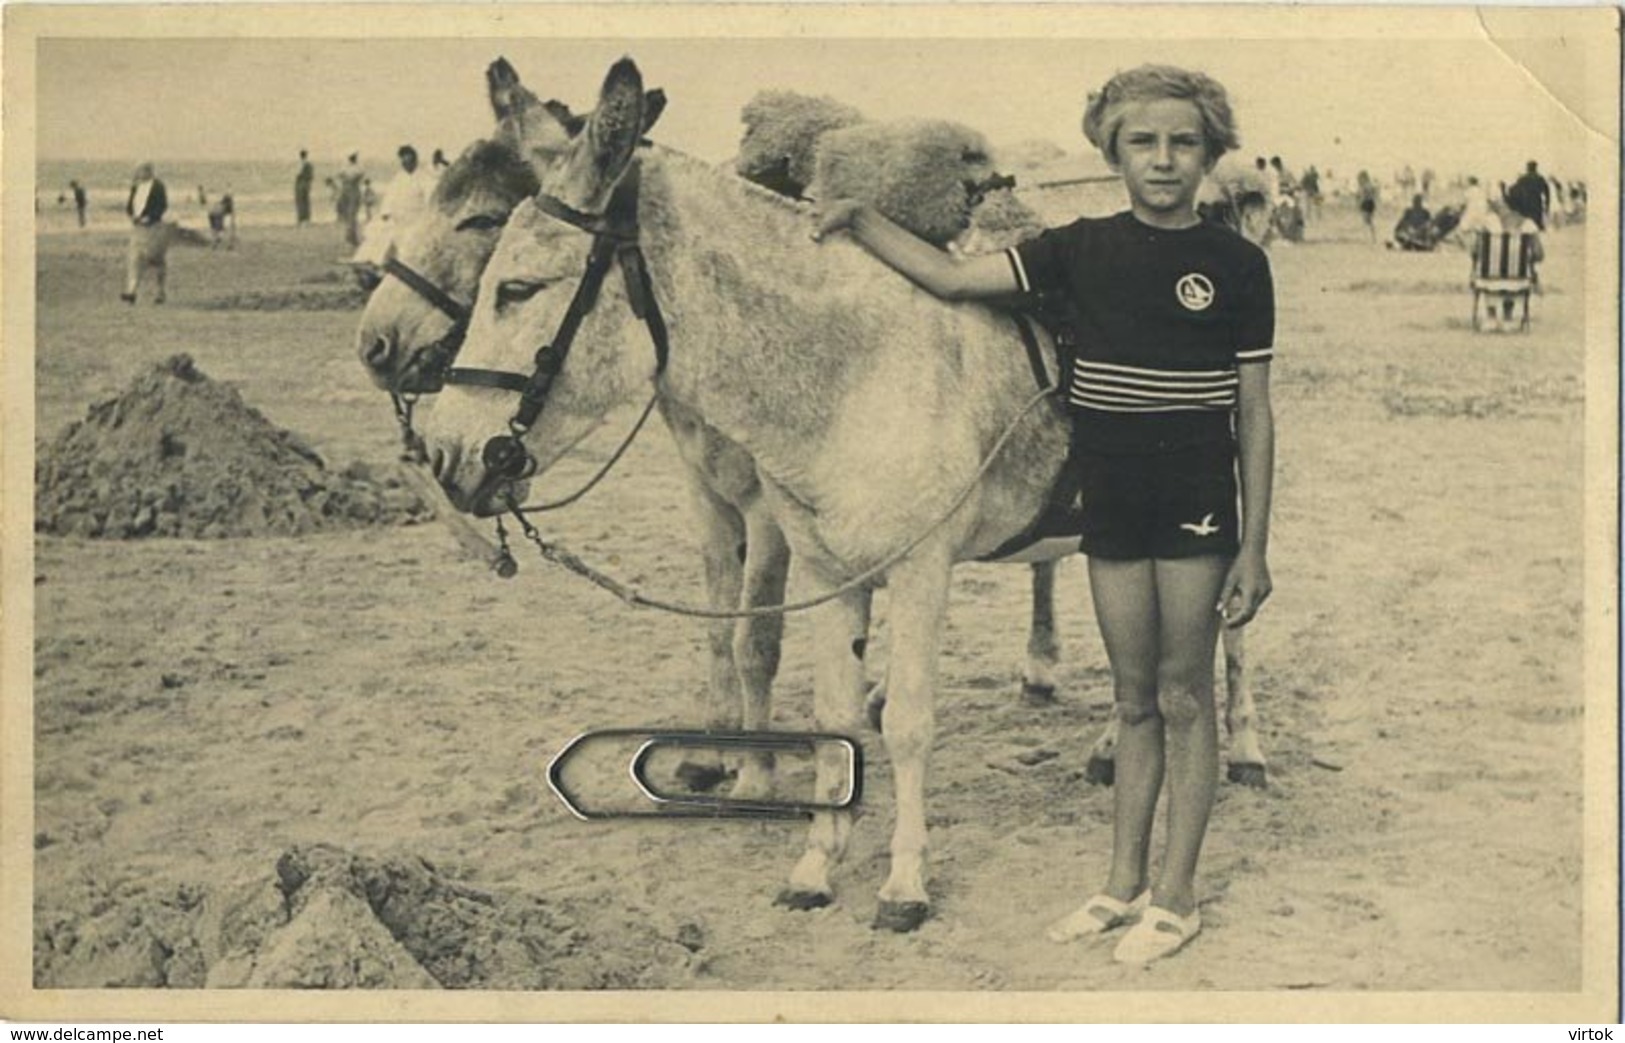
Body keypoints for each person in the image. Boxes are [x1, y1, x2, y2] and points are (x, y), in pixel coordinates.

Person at [813, 63, 1274, 966]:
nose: (1164, 160)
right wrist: (859, 220)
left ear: (1211, 153)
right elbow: (949, 280)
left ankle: (1175, 898)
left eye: (1184, 143)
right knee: (1131, 698)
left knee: (1185, 695)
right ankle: (1118, 884)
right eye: (1142, 142)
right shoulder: (1076, 247)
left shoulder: (1236, 263)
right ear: (1112, 151)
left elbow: (1253, 413)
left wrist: (1253, 547)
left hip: (1193, 505)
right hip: (1109, 500)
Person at [352, 144, 433, 267]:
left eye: (409, 161)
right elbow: (390, 196)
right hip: (398, 217)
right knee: (377, 232)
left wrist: (427, 217)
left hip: (415, 218)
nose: (407, 165)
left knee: (407, 243)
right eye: (404, 162)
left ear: (415, 160)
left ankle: (401, 264)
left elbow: (430, 199)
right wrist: (385, 211)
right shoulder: (399, 177)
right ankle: (370, 262)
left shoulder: (424, 177)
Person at [122, 162, 170, 304]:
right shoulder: (136, 186)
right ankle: (131, 291)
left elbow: (163, 205)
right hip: (138, 227)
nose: (139, 174)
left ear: (149, 172)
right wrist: (132, 215)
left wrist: (149, 217)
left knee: (156, 260)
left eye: (141, 171)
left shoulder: (158, 186)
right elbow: (130, 205)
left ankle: (160, 292)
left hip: (154, 226)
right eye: (138, 171)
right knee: (134, 258)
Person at [1504, 160, 1551, 231]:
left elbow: (1514, 189)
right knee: (1538, 224)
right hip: (1537, 204)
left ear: (1528, 168)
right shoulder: (1540, 179)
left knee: (1523, 224)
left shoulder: (1523, 179)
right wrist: (1547, 206)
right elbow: (1547, 193)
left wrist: (1505, 191)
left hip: (1525, 205)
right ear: (1536, 168)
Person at [334, 151, 366, 247]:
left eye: (353, 156)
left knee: (352, 215)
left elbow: (353, 176)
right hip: (346, 191)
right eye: (351, 156)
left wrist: (345, 177)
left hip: (353, 191)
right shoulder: (348, 167)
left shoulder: (357, 167)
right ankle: (351, 238)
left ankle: (350, 238)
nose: (352, 158)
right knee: (348, 215)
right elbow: (339, 175)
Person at [1355, 170, 1379, 242]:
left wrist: (1359, 203)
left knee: (1366, 221)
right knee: (1370, 221)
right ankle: (1373, 237)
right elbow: (1375, 194)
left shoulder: (1364, 186)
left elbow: (1361, 195)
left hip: (1366, 203)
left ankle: (1367, 237)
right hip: (1371, 203)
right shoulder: (1371, 185)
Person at [294, 149, 314, 226]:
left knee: (300, 201)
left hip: (301, 184)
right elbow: (311, 176)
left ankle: (301, 219)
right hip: (307, 184)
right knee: (306, 201)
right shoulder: (309, 164)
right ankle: (306, 219)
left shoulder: (301, 164)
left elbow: (298, 175)